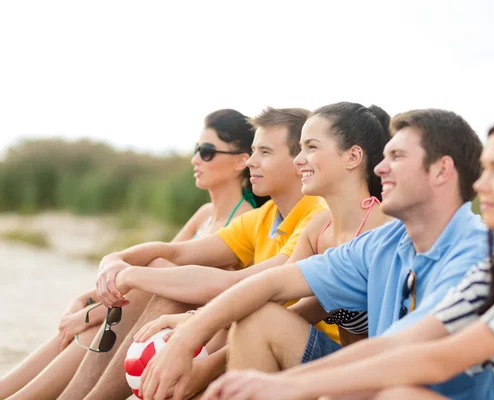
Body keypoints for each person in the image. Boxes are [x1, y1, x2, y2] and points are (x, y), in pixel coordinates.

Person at [204, 111, 494, 400]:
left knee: (396, 396)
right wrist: (279, 385)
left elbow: (439, 358)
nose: (480, 183)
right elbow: (396, 344)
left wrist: (292, 386)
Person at [136, 109, 494, 400]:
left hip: (419, 388)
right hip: (379, 378)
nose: (380, 167)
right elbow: (271, 283)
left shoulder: (477, 252)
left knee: (400, 396)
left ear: (441, 171)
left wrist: (287, 386)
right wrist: (189, 337)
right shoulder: (386, 243)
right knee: (259, 320)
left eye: (396, 157)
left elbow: (410, 354)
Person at [56, 107, 331, 400]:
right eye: (253, 151)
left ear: (297, 161)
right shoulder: (265, 215)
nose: (251, 161)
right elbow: (175, 253)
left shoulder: (317, 216)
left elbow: (240, 285)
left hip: (296, 349)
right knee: (162, 274)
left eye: (264, 152)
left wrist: (132, 276)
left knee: (174, 289)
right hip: (249, 336)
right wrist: (113, 260)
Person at [133, 101, 393, 391]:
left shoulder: (384, 230)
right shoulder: (319, 229)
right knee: (256, 315)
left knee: (259, 318)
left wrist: (192, 336)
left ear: (353, 156)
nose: (299, 159)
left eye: (311, 147)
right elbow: (280, 300)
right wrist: (195, 328)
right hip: (342, 369)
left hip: (385, 378)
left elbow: (269, 292)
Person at [0, 108, 259, 400]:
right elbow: (153, 271)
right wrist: (86, 301)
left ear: (241, 161)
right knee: (86, 328)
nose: (195, 159)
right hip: (146, 314)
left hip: (191, 327)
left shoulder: (245, 222)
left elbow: (167, 280)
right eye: (197, 149)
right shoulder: (205, 214)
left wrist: (91, 313)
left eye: (207, 151)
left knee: (92, 326)